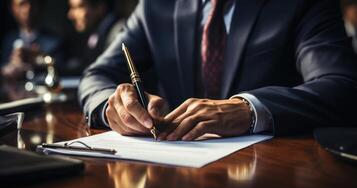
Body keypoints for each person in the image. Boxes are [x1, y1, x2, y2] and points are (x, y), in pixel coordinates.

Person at [79, 0, 357, 141]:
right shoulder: (155, 6)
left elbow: (342, 84)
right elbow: (96, 76)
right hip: (172, 172)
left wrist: (250, 109)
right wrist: (111, 106)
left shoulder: (302, 4)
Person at [0, 0, 62, 80]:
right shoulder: (7, 41)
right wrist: (8, 69)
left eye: (32, 3)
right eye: (22, 4)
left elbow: (63, 69)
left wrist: (40, 60)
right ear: (12, 8)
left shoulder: (55, 42)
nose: (28, 9)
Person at [63, 0, 125, 76]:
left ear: (99, 8)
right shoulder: (97, 32)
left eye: (79, 7)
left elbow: (110, 73)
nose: (70, 15)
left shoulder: (119, 32)